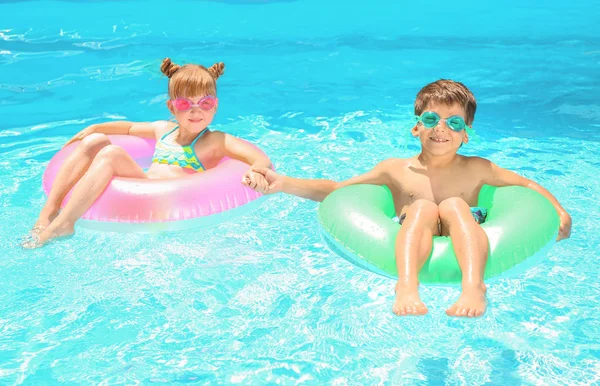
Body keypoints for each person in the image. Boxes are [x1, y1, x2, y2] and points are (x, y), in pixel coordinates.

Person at [250, 79, 572, 318]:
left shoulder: (478, 169)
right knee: (422, 208)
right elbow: (337, 190)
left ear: (466, 133)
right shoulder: (395, 170)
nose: (441, 128)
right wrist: (284, 184)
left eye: (454, 122)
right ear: (416, 128)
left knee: (454, 205)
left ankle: (474, 286)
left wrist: (558, 212)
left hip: (465, 225)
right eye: (431, 119)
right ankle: (407, 285)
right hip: (416, 229)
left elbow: (527, 185)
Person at [24, 58, 272, 248]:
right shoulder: (163, 130)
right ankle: (49, 212)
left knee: (111, 154)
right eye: (185, 104)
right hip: (143, 184)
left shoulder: (215, 141)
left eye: (205, 104)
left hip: (167, 202)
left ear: (215, 106)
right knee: (96, 141)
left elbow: (258, 158)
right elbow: (128, 127)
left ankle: (65, 224)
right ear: (171, 107)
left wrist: (257, 171)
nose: (196, 111)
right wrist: (95, 127)